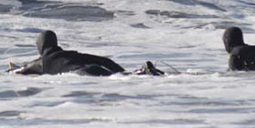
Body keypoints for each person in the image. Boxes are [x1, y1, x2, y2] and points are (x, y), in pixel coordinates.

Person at [12, 30, 164, 76]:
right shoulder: (70, 54)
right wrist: (122, 71)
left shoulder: (39, 63)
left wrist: (11, 71)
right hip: (92, 67)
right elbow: (104, 61)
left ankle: (140, 73)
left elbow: (19, 71)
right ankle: (141, 71)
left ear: (41, 47)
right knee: (122, 76)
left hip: (82, 74)